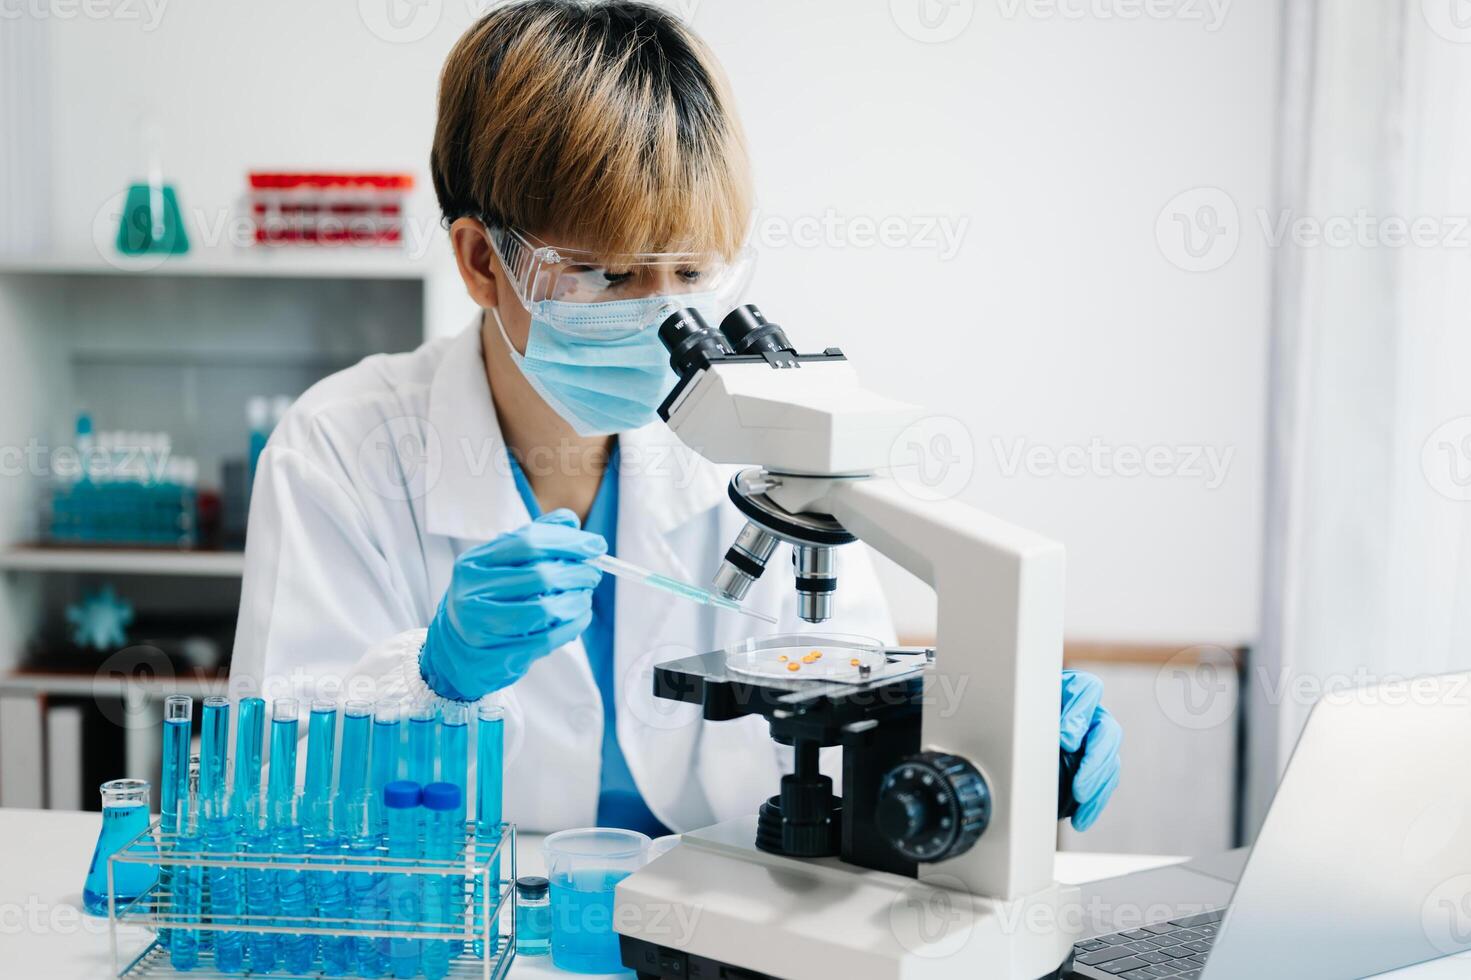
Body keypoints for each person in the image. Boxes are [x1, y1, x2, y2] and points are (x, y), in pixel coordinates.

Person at [231, 0, 1120, 838]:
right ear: (480, 261)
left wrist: (994, 732)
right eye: (609, 277)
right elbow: (273, 793)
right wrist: (432, 680)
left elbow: (850, 701)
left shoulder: (768, 442)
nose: (661, 322)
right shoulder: (340, 449)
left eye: (691, 278)